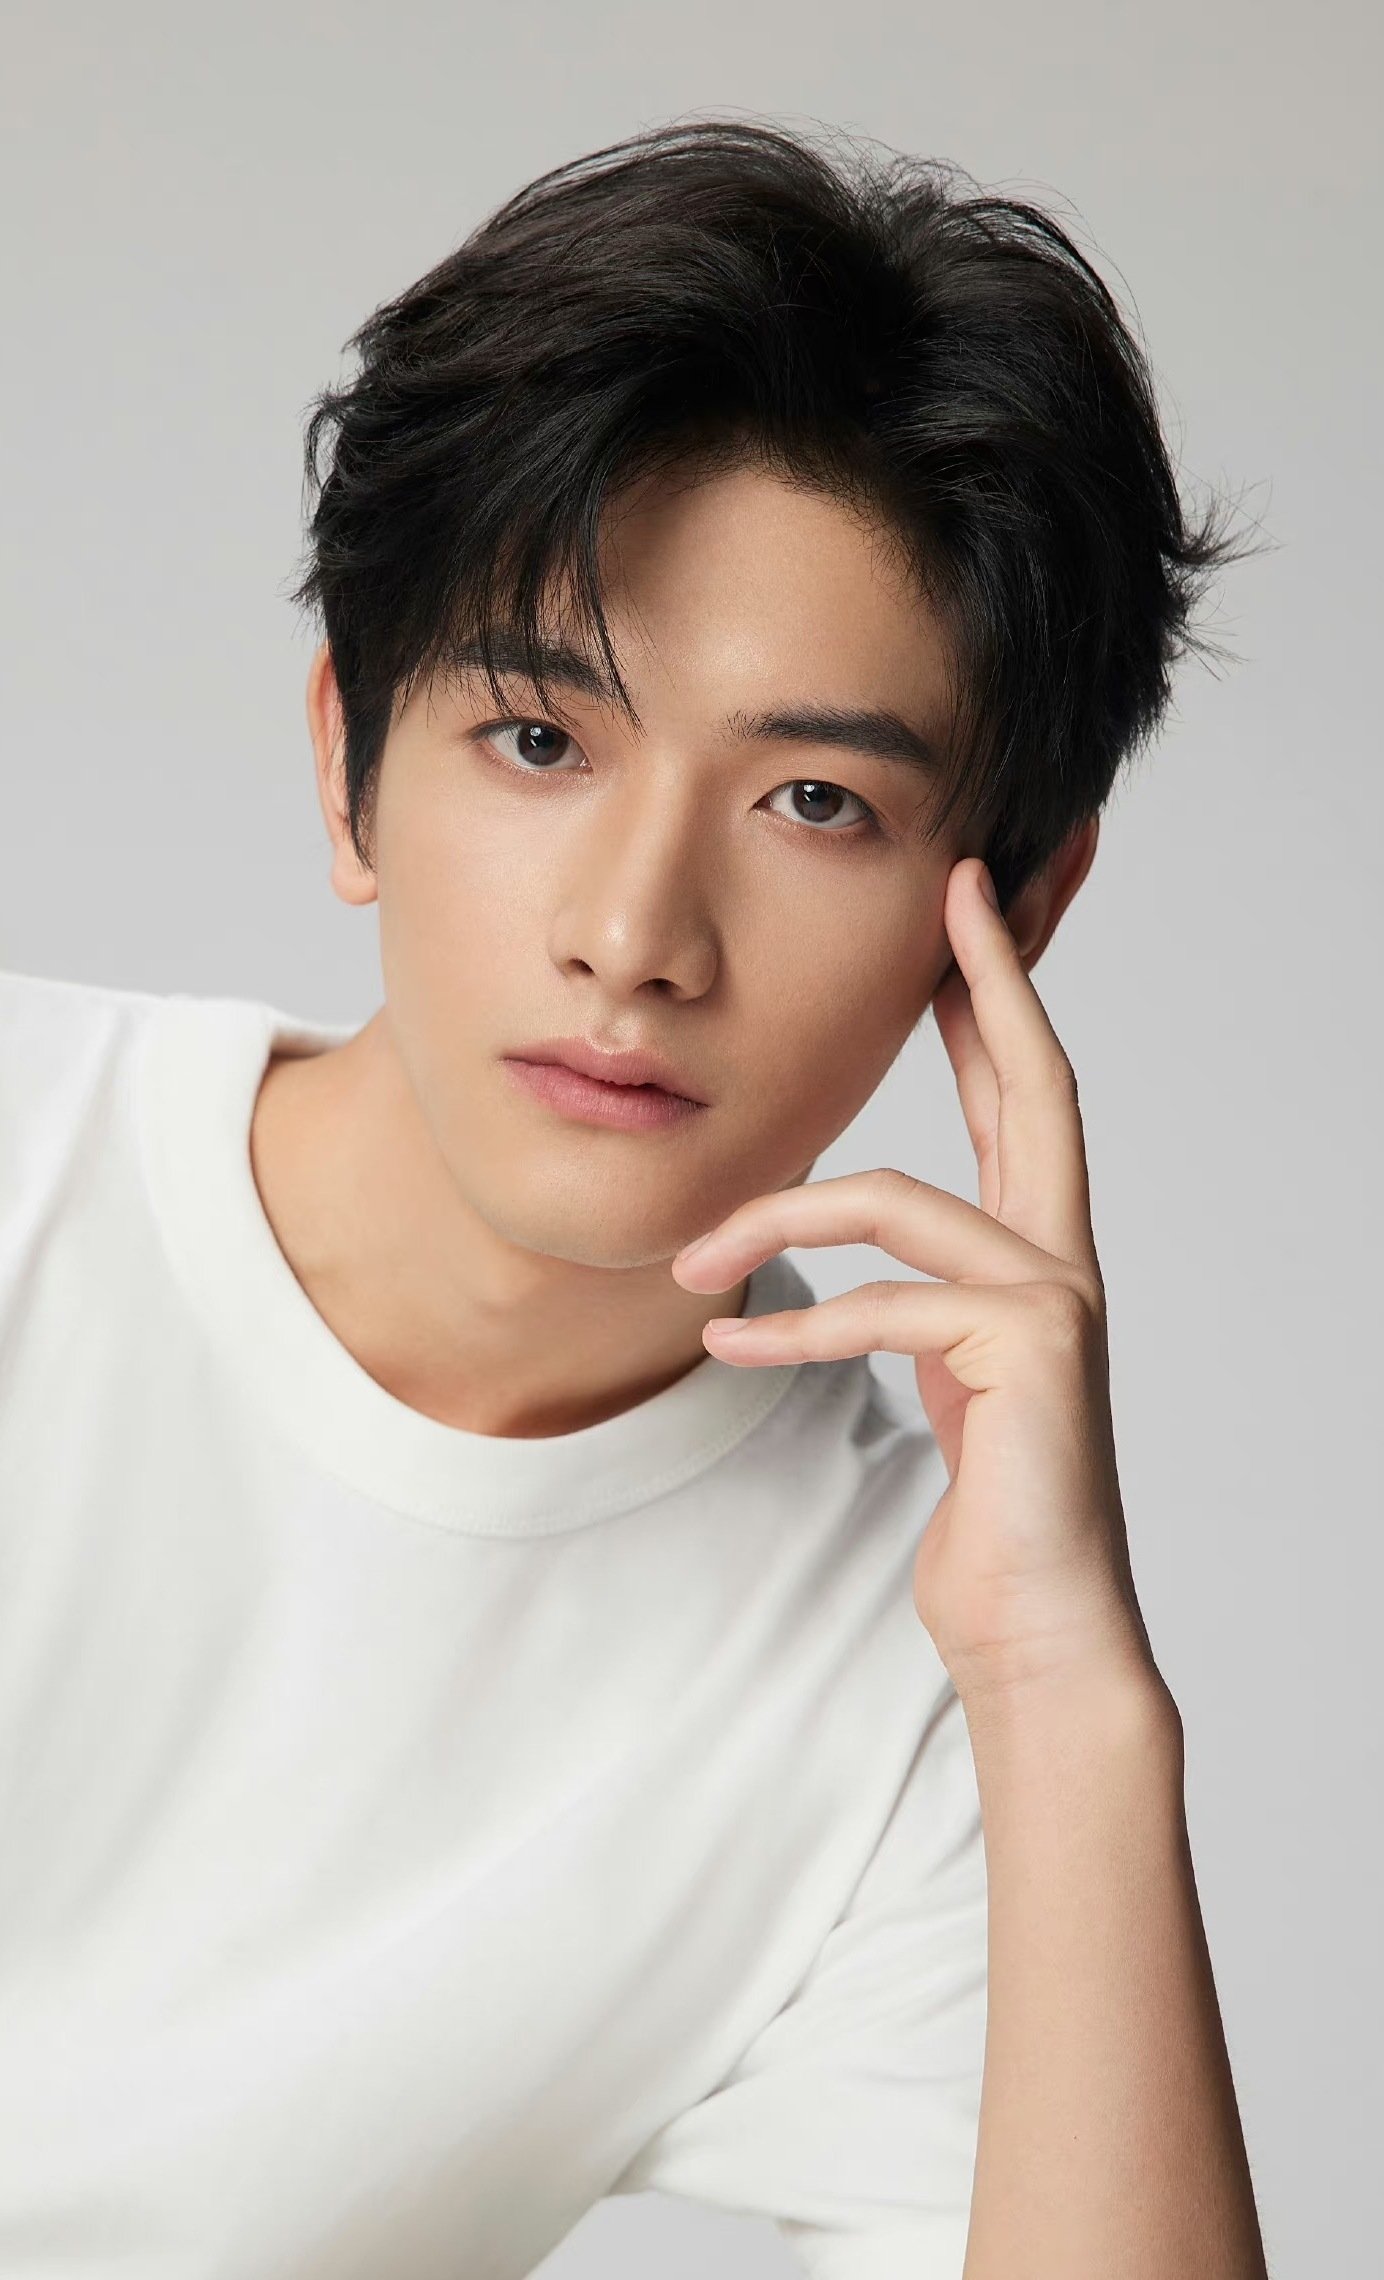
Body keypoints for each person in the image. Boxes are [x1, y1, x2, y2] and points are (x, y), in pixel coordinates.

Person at [0, 116, 1268, 2279]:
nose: (633, 933)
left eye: (812, 800)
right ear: (348, 765)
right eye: (538, 741)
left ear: (1016, 904)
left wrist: (1065, 1696)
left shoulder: (901, 1673)